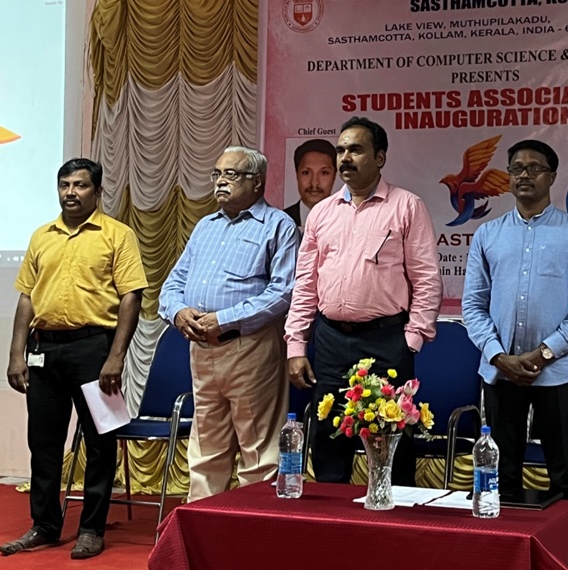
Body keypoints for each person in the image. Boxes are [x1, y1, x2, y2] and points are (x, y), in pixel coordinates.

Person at [285, 116, 442, 486]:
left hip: (386, 341)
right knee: (328, 438)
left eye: (355, 150)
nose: (345, 158)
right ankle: (331, 516)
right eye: (341, 150)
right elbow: (305, 284)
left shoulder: (406, 206)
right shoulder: (322, 212)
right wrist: (296, 345)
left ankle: (393, 513)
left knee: (391, 440)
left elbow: (427, 279)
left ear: (380, 157)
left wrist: (411, 340)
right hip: (330, 341)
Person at [2, 159, 147, 560]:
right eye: (65, 185)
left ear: (97, 192)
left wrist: (116, 357)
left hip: (95, 349)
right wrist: (16, 354)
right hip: (44, 350)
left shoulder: (118, 235)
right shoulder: (41, 236)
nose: (71, 192)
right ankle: (45, 526)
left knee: (101, 442)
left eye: (80, 185)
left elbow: (131, 297)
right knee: (43, 443)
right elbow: (27, 297)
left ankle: (92, 530)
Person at [463, 140, 568, 501]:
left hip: (558, 372)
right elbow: (473, 306)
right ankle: (504, 538)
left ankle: (566, 538)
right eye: (516, 168)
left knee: (563, 475)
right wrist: (499, 357)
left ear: (552, 176)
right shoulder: (487, 234)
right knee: (501, 474)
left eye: (534, 168)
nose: (524, 174)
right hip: (501, 371)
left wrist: (543, 354)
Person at [159, 146, 297, 502]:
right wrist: (178, 312)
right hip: (202, 348)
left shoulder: (278, 225)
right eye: (217, 174)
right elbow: (173, 283)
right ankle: (203, 525)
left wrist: (223, 319)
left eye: (231, 174)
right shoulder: (206, 226)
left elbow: (283, 292)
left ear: (257, 182)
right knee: (206, 448)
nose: (220, 181)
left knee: (258, 451)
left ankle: (253, 527)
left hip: (249, 346)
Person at [284, 139, 337, 229]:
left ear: (334, 175)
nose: (314, 183)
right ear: (297, 174)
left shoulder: (346, 218)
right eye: (306, 173)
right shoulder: (280, 220)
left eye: (324, 173)